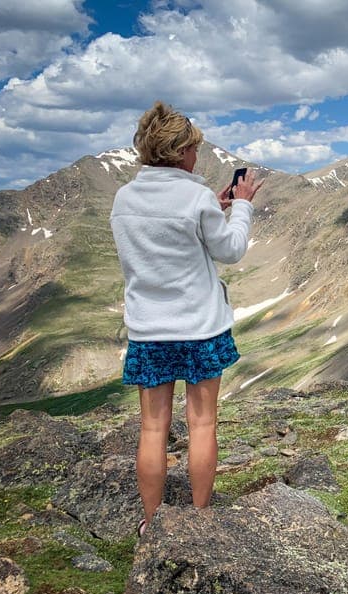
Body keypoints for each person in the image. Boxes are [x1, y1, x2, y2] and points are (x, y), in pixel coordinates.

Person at [110, 101, 262, 536]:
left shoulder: (124, 198)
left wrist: (208, 208)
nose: (198, 156)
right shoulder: (195, 197)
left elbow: (154, 243)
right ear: (179, 153)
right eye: (194, 149)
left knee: (153, 427)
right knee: (202, 423)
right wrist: (241, 207)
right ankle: (198, 522)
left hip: (149, 329)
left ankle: (153, 524)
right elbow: (229, 250)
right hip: (199, 329)